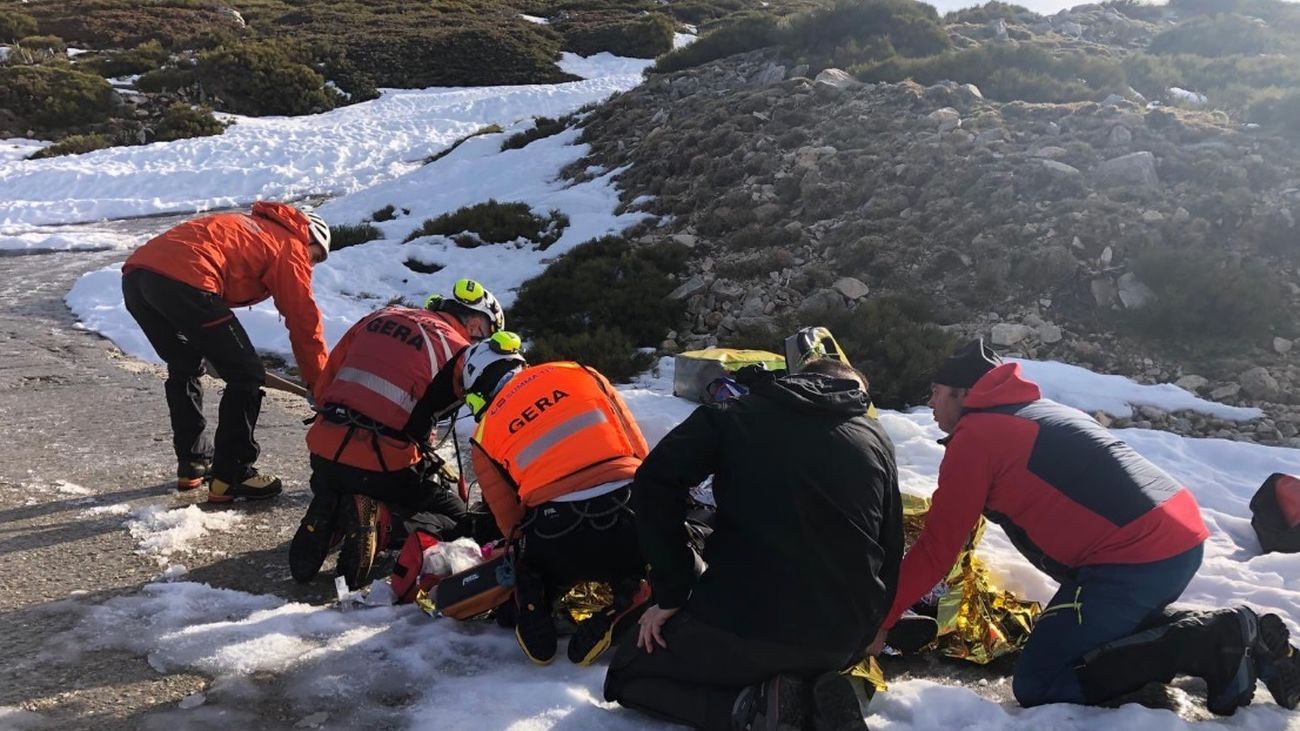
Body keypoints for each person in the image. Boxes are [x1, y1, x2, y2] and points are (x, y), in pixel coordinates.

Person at [867, 339, 1300, 715]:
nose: (930, 404)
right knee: (1107, 625)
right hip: (1171, 534)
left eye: (936, 393)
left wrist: (881, 620)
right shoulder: (1031, 409)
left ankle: (1213, 641)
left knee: (1041, 681)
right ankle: (1252, 643)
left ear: (963, 394)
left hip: (1133, 556)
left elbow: (938, 547)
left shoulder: (977, 438)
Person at [605, 357, 902, 731]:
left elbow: (653, 482)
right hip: (841, 641)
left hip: (745, 625)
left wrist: (673, 591)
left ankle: (750, 707)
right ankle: (809, 697)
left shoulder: (732, 416)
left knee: (628, 673)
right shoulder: (875, 438)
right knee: (792, 651)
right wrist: (874, 624)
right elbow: (891, 544)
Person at [289, 279, 505, 590]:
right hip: (380, 465)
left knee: (348, 474)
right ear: (475, 323)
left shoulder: (380, 316)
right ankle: (383, 524)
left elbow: (325, 384)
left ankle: (331, 505)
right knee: (459, 519)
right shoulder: (460, 352)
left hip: (323, 450)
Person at [121, 202, 331, 503]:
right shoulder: (290, 244)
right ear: (310, 237)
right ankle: (232, 474)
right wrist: (319, 383)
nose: (311, 265)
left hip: (137, 278)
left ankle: (193, 463)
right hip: (185, 280)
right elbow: (304, 321)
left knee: (185, 365)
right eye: (316, 257)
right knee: (247, 375)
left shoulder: (252, 227)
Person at [463, 332, 651, 666]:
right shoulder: (582, 373)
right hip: (629, 514)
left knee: (534, 564)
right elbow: (639, 453)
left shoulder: (484, 432)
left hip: (557, 535)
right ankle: (629, 598)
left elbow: (511, 525)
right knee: (663, 564)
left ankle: (535, 596)